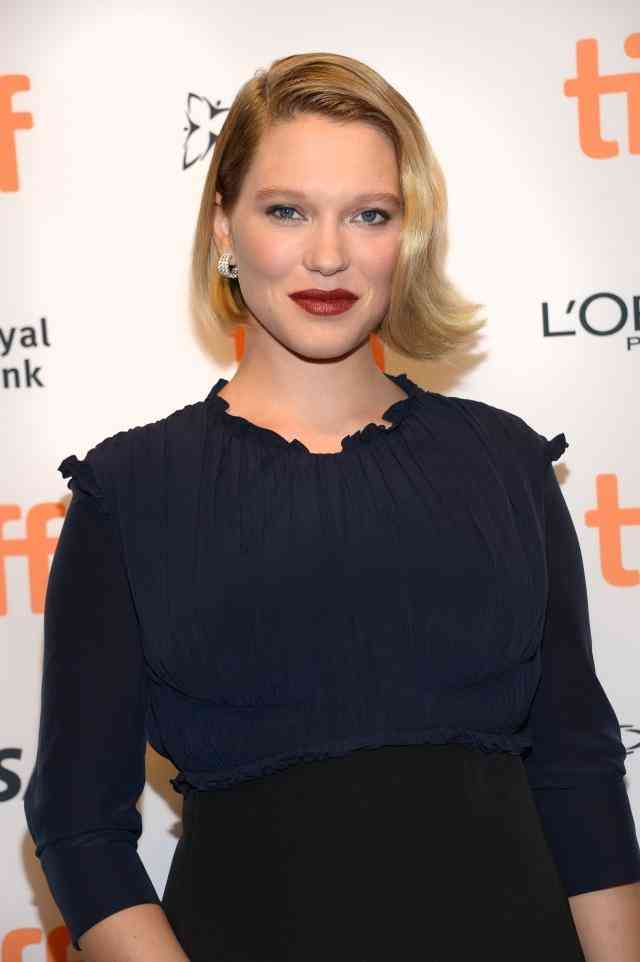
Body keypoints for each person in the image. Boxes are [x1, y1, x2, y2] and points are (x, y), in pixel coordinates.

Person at [23, 51, 640, 962]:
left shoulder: (503, 464)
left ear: (407, 237)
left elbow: (578, 772)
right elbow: (79, 824)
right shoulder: (131, 493)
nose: (328, 254)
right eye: (287, 210)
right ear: (224, 226)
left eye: (369, 214)